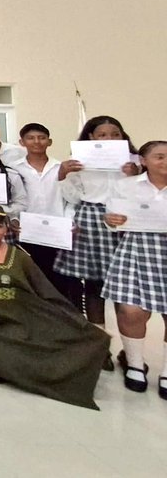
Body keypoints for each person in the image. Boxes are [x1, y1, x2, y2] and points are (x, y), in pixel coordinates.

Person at [0, 205, 109, 409]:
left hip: (16, 309)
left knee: (29, 334)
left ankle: (39, 374)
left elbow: (43, 289)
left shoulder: (19, 257)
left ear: (6, 229)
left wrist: (71, 318)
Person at [55, 116, 140, 333]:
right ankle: (100, 342)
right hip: (91, 218)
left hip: (127, 219)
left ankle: (130, 348)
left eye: (115, 134)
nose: (109, 138)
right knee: (94, 284)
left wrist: (134, 176)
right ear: (91, 136)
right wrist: (64, 175)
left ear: (123, 136)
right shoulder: (79, 161)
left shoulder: (136, 161)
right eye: (102, 134)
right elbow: (72, 197)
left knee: (126, 286)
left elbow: (147, 194)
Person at [101, 140, 167, 398]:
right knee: (131, 310)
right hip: (137, 247)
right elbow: (112, 217)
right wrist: (111, 220)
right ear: (143, 160)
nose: (165, 162)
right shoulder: (125, 185)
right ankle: (135, 365)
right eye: (159, 157)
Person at [10, 123, 67, 288]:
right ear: (22, 142)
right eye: (31, 138)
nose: (37, 142)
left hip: (58, 232)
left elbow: (71, 198)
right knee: (31, 279)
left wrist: (71, 221)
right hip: (27, 231)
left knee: (59, 281)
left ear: (49, 142)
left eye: (42, 138)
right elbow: (13, 199)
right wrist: (13, 219)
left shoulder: (60, 167)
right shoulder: (14, 169)